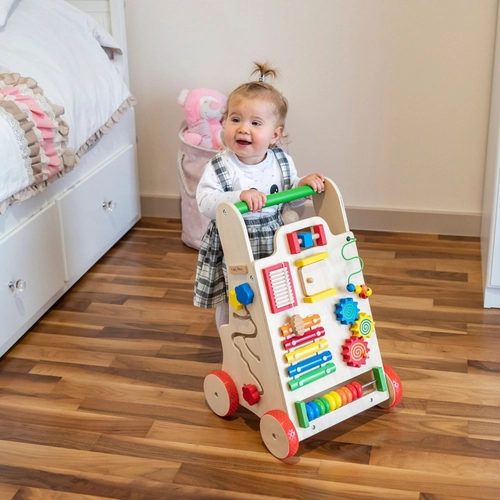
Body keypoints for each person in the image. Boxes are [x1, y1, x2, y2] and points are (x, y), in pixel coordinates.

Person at [193, 61, 325, 328]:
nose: (243, 128)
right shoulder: (220, 166)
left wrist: (303, 186)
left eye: (255, 122)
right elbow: (205, 202)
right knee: (236, 295)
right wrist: (238, 197)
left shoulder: (281, 161)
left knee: (276, 289)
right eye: (235, 119)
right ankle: (232, 336)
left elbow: (290, 196)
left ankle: (271, 333)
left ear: (275, 134)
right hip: (233, 241)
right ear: (224, 122)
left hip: (274, 238)